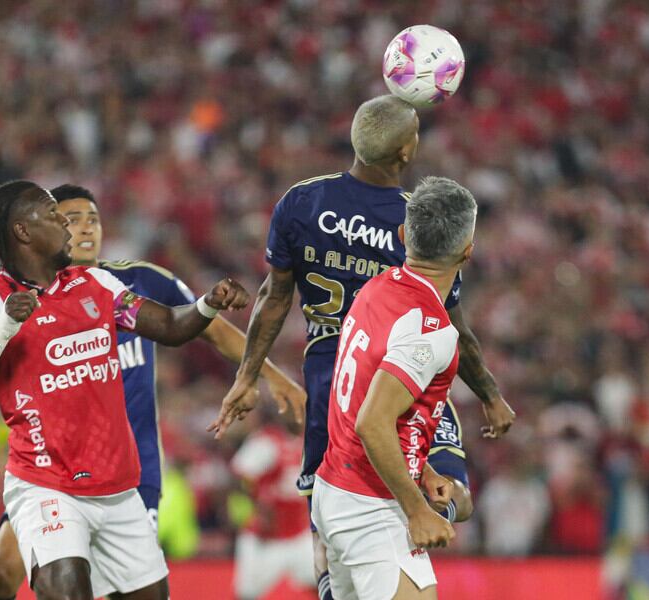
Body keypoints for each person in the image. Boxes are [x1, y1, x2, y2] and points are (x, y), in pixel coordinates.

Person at [210, 95, 515, 599]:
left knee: (328, 527)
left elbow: (272, 297)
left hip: (329, 380)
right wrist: (489, 394)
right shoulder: (415, 228)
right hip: (398, 373)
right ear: (407, 151)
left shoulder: (301, 202)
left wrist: (247, 376)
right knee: (452, 497)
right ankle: (413, 533)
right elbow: (451, 326)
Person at [0, 184, 306, 600]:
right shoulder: (24, 299)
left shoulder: (139, 282)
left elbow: (210, 327)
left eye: (92, 219)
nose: (84, 229)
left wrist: (267, 376)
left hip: (129, 476)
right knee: (3, 573)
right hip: (53, 469)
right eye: (71, 219)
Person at [312, 176, 477, 600]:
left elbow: (370, 401)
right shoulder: (429, 329)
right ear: (468, 252)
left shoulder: (376, 287)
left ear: (404, 235)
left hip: (335, 489)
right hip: (373, 506)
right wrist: (417, 509)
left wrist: (422, 469)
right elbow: (372, 422)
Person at [230, 409, 314, 600]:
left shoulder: (311, 441)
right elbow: (239, 476)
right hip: (266, 538)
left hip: (299, 533)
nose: (297, 414)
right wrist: (258, 506)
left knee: (325, 585)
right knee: (247, 594)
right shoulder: (266, 442)